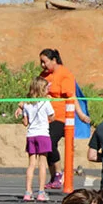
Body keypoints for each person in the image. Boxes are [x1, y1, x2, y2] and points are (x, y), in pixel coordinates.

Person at [39, 48, 90, 191]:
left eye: (45, 62)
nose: (43, 65)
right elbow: (35, 91)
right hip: (45, 117)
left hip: (60, 116)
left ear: (54, 60)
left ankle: (59, 174)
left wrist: (80, 114)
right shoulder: (44, 75)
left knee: (49, 140)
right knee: (44, 144)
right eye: (41, 63)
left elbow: (71, 96)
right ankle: (54, 176)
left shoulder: (64, 74)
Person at [16, 76, 55, 201]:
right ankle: (41, 192)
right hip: (43, 134)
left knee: (31, 164)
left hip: (31, 135)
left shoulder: (27, 104)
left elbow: (25, 122)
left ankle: (28, 191)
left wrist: (23, 113)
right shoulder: (46, 103)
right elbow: (52, 117)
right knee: (42, 164)